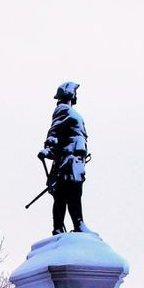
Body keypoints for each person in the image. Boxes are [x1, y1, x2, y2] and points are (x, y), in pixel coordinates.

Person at [38, 81, 89, 235]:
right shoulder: (63, 110)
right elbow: (54, 131)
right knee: (67, 194)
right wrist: (48, 149)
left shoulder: (69, 111)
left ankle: (75, 224)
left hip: (75, 160)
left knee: (69, 194)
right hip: (69, 160)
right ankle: (67, 226)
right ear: (70, 94)